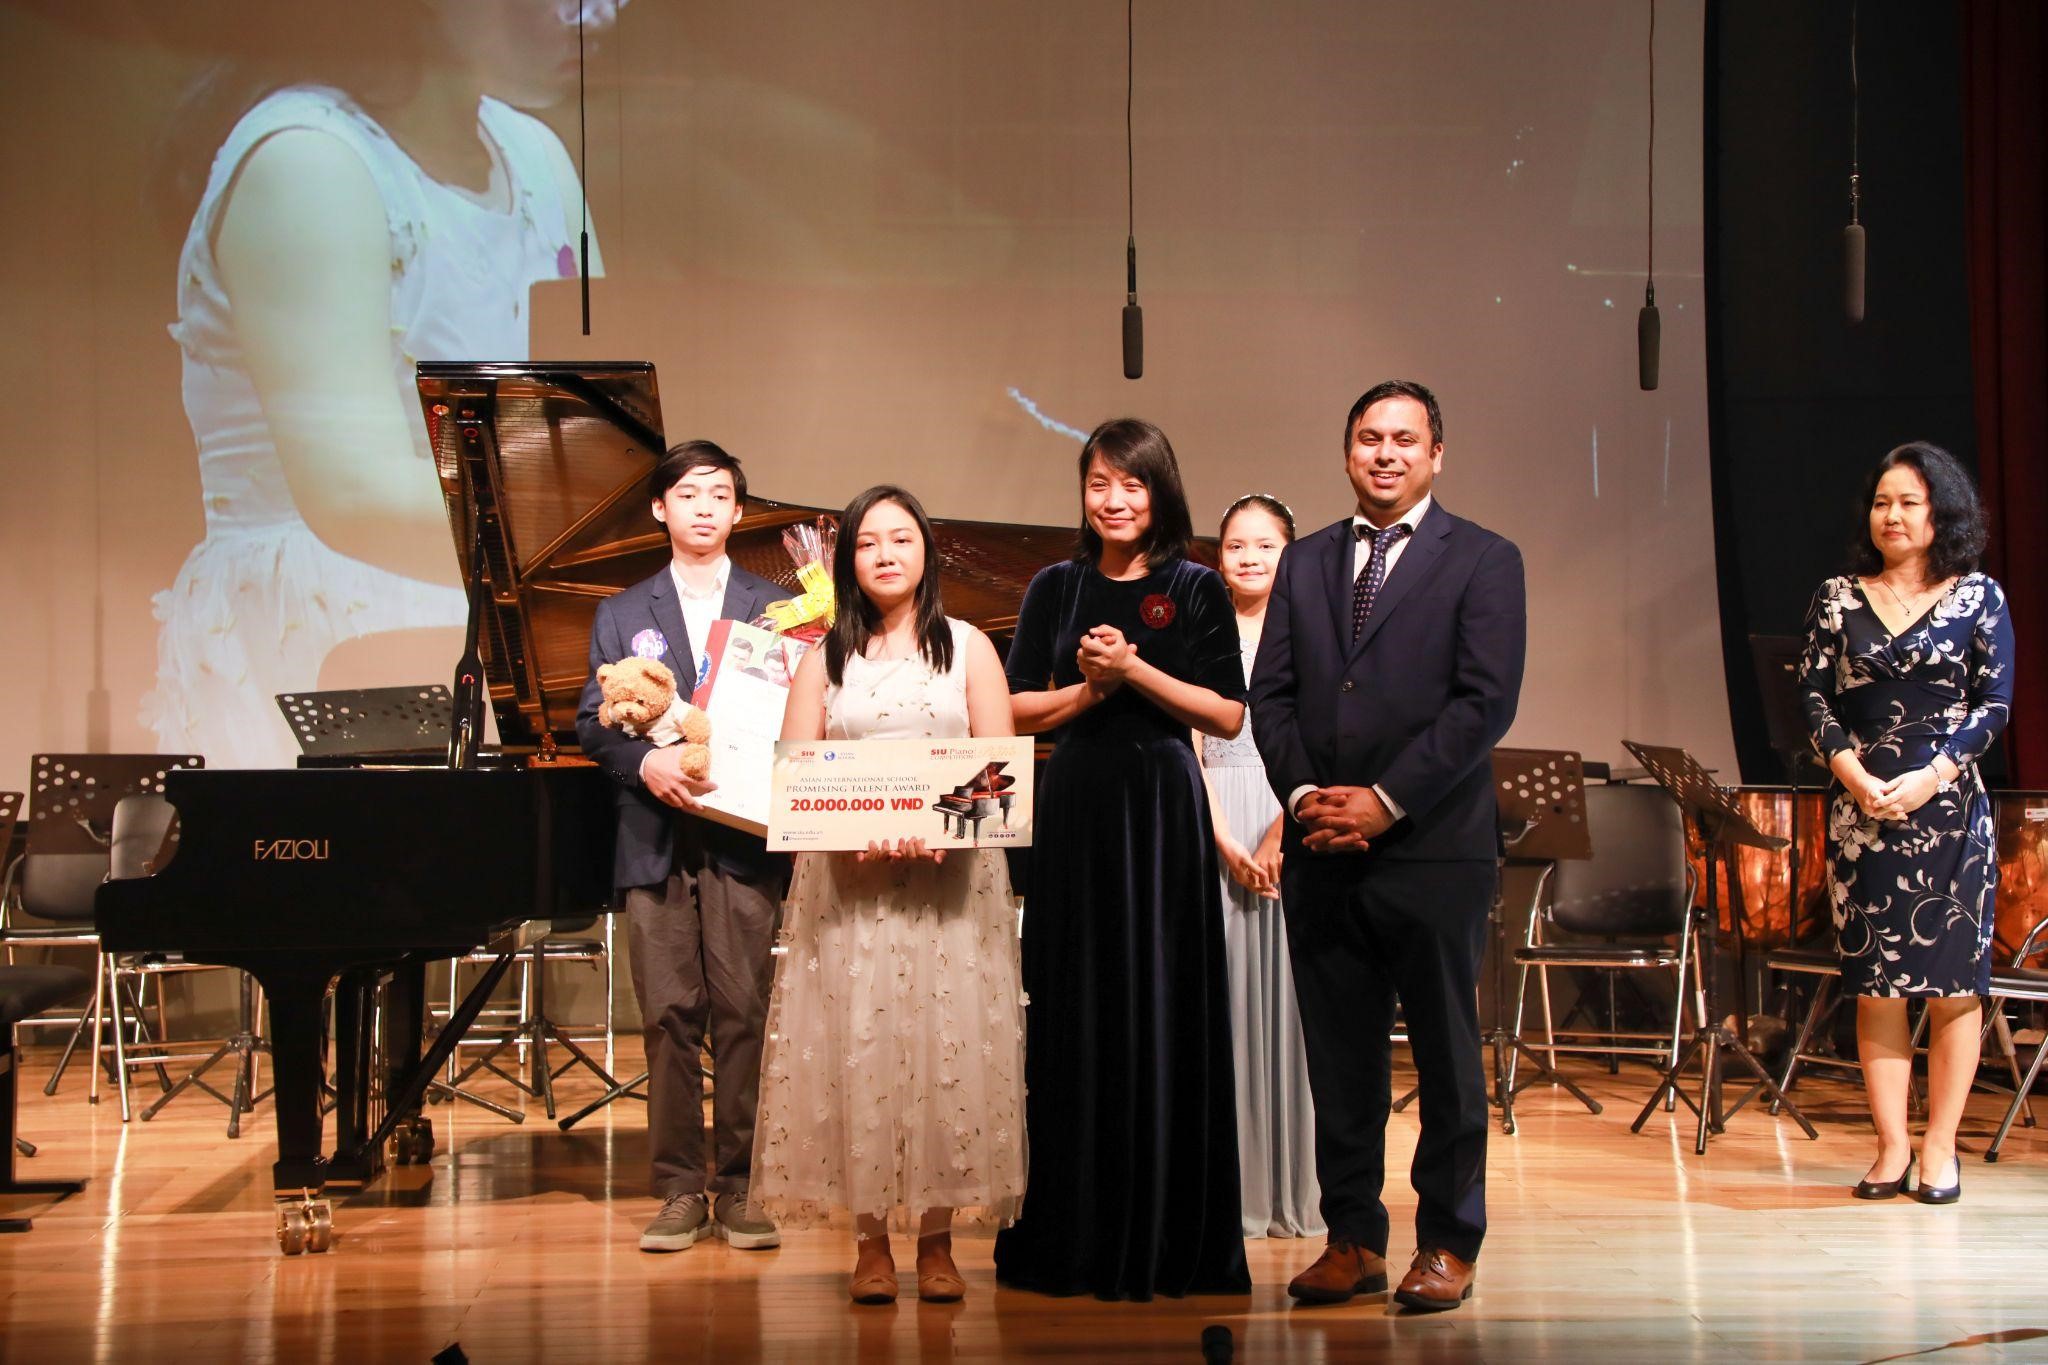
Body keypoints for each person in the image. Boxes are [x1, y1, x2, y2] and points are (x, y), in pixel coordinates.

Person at [146, 1, 617, 766]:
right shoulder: (307, 162)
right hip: (331, 632)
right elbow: (353, 492)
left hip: (502, 609)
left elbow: (599, 432)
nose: (590, 16)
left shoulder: (536, 156)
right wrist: (604, 533)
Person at [1247, 380, 1525, 1312]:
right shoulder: (1305, 561)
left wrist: (1385, 801)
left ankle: (1448, 1240)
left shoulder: (1485, 558)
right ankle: (1353, 1238)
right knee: (1340, 1058)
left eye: (1406, 439)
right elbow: (1272, 697)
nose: (1386, 453)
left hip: (1433, 847)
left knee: (1446, 1055)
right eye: (1370, 437)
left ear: (1436, 454)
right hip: (1321, 845)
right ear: (1347, 452)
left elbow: (1484, 703)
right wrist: (1305, 797)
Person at [992, 418, 1251, 1301]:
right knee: (1073, 1000)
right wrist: (1088, 690)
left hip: (1163, 810)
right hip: (1075, 804)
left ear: (1159, 491)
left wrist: (1133, 673)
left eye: (1131, 483)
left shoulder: (1196, 584)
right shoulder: (1055, 584)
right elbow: (1013, 708)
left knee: (1163, 998)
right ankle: (1070, 1233)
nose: (1114, 499)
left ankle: (1167, 1235)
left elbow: (1226, 713)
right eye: (1099, 482)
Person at [752, 485, 1026, 1305]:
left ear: (926, 552)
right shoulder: (823, 659)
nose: (885, 553)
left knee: (948, 1047)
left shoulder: (970, 647)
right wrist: (851, 835)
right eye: (868, 541)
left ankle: (938, 1240)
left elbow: (1000, 772)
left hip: (952, 885)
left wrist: (941, 832)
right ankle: (870, 1242)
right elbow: (795, 778)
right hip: (850, 886)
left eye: (901, 538)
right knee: (860, 1045)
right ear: (849, 560)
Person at [575, 440, 787, 1254]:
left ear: (738, 510)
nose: (704, 506)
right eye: (689, 493)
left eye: (720, 494)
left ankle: (740, 1185)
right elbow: (594, 720)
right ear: (661, 508)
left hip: (744, 837)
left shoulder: (778, 608)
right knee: (667, 1014)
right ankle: (676, 1188)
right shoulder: (621, 611)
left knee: (744, 1011)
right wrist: (645, 762)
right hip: (652, 833)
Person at [1797, 441, 2013, 1206]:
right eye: (1882, 501)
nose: (1891, 514)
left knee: (1954, 988)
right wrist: (1854, 776)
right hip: (1862, 815)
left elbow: (1994, 703)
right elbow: (1814, 698)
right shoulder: (1836, 597)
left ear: (1940, 513)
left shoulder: (1979, 596)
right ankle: (1891, 1145)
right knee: (1877, 986)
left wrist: (1931, 777)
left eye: (1908, 502)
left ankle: (1941, 1147)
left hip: (1949, 812)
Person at [1197, 494, 1324, 1240]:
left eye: (1264, 545)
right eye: (1235, 545)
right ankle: (1233, 1191)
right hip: (1213, 819)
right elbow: (1189, 740)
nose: (1248, 557)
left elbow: (1322, 737)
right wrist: (1217, 832)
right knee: (1225, 1006)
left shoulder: (1312, 632)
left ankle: (1291, 1189)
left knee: (1295, 1009)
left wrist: (1283, 828)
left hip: (1291, 815)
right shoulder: (1201, 630)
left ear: (1290, 552)